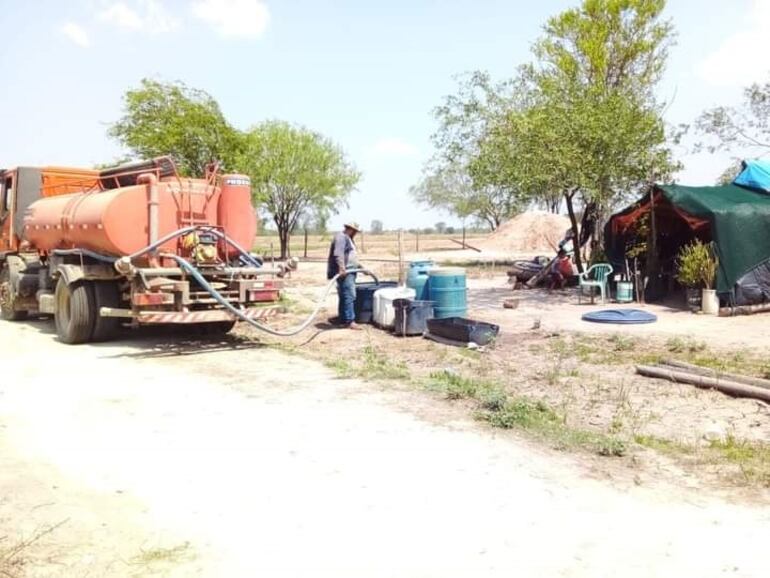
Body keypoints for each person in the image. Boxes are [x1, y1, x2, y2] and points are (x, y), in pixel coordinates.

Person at [327, 222, 362, 329]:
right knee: (349, 295)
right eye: (355, 231)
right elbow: (338, 253)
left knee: (344, 295)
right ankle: (349, 320)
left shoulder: (348, 238)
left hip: (350, 271)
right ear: (350, 229)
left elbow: (350, 257)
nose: (355, 233)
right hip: (346, 272)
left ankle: (343, 318)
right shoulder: (341, 237)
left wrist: (361, 267)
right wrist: (342, 268)